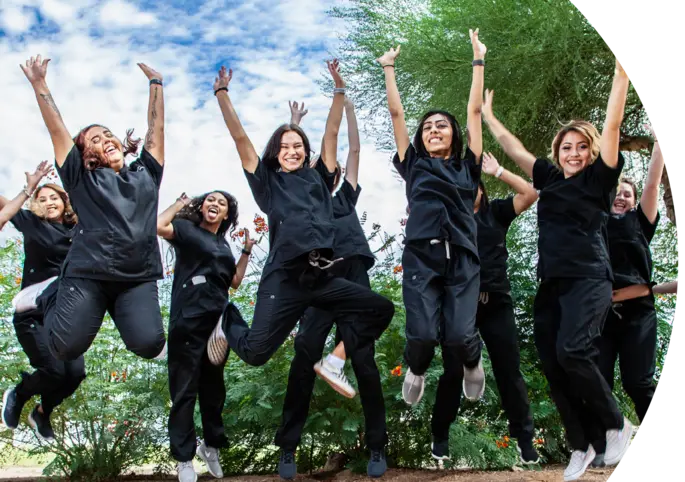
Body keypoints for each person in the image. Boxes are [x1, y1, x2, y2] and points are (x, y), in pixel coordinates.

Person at [206, 60, 395, 477]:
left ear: (306, 153)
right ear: (276, 152)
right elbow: (241, 139)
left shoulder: (321, 183)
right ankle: (227, 321)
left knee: (380, 311)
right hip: (286, 279)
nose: (292, 151)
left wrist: (339, 91)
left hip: (327, 277)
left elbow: (331, 137)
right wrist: (223, 95)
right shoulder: (268, 183)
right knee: (257, 353)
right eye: (284, 146)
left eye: (298, 147)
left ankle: (352, 393)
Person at [481, 57, 634, 482]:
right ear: (557, 153)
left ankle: (617, 424)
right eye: (566, 147)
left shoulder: (599, 180)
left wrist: (620, 78)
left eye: (581, 146)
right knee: (553, 364)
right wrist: (490, 118)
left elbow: (613, 129)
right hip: (552, 285)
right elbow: (514, 148)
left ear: (591, 151)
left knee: (573, 352)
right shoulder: (549, 178)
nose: (573, 153)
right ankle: (580, 445)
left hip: (589, 280)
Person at [375, 29, 487, 460]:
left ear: (454, 135)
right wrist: (389, 69)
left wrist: (478, 61)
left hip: (462, 255)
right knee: (421, 334)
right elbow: (397, 115)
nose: (433, 129)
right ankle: (417, 369)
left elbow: (474, 111)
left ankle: (473, 365)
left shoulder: (467, 167)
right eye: (428, 127)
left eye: (441, 125)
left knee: (460, 334)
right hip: (422, 254)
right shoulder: (414, 165)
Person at [12, 55, 167, 363]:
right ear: (85, 154)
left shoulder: (147, 173)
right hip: (87, 274)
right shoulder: (81, 177)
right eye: (95, 139)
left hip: (135, 276)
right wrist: (40, 84)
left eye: (108, 134)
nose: (106, 139)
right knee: (66, 348)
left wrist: (156, 84)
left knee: (150, 345)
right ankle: (47, 294)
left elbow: (156, 129)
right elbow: (57, 131)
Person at [273, 96, 389, 480]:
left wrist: (352, 110)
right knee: (304, 356)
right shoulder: (305, 200)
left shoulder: (345, 197)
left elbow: (353, 148)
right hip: (320, 282)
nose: (333, 169)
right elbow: (293, 158)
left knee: (365, 363)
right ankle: (288, 449)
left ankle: (376, 447)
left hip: (353, 278)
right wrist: (294, 121)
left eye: (335, 167)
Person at [157, 191, 252, 482]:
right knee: (185, 391)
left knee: (214, 391)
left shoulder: (223, 245)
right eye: (211, 200)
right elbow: (159, 226)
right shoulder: (187, 230)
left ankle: (210, 446)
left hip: (217, 323)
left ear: (226, 216)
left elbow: (234, 281)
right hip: (189, 319)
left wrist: (246, 251)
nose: (216, 205)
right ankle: (184, 459)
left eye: (223, 204)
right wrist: (179, 204)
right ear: (202, 206)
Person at [590, 126, 665, 467]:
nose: (621, 197)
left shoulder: (640, 223)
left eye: (627, 195)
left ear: (635, 203)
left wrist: (660, 142)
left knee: (638, 382)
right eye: (617, 193)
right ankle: (612, 445)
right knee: (599, 382)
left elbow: (651, 183)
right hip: (602, 317)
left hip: (637, 313)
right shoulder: (597, 223)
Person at [1, 162, 86, 443]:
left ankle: (42, 412)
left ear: (65, 201)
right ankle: (20, 392)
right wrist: (29, 188)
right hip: (32, 313)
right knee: (53, 370)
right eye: (42, 198)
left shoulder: (79, 231)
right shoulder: (31, 223)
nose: (48, 202)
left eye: (54, 197)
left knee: (74, 374)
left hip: (63, 314)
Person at [468, 152, 540, 464]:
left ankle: (525, 439)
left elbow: (530, 194)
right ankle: (472, 360)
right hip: (463, 307)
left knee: (509, 371)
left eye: (473, 186)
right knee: (451, 356)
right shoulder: (449, 220)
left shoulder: (496, 212)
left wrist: (499, 171)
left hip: (496, 303)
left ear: (482, 190)